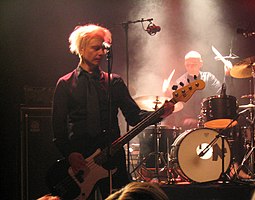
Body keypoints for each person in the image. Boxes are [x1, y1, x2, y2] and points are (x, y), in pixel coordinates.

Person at [51, 24, 174, 200]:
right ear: (82, 48)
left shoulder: (114, 82)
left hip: (112, 157)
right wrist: (69, 153)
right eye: (95, 48)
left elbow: (134, 117)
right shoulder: (65, 84)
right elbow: (58, 129)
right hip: (80, 162)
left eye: (104, 48)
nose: (101, 52)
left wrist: (161, 113)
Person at [164, 50, 221, 130]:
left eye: (193, 64)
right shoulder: (180, 82)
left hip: (209, 119)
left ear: (201, 64)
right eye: (188, 65)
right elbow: (174, 105)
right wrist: (166, 94)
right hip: (188, 122)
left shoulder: (209, 78)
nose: (190, 67)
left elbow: (220, 93)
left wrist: (227, 75)